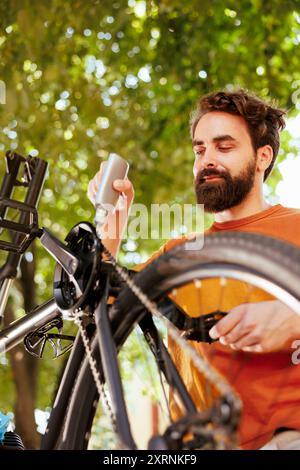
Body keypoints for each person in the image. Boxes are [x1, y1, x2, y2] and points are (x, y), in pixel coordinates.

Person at [88, 89, 300, 450]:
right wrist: (113, 222)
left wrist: (294, 317)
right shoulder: (178, 255)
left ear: (263, 157)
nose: (207, 159)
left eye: (224, 147)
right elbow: (99, 313)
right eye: (200, 150)